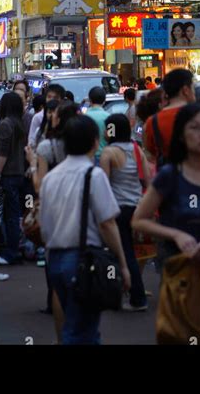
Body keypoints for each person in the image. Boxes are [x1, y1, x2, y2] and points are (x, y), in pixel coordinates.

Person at [39, 115, 131, 344]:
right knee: (82, 329)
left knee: (77, 324)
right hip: (83, 259)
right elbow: (107, 223)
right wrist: (122, 263)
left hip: (55, 260)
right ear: (94, 142)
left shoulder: (50, 179)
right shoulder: (94, 175)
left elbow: (44, 227)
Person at [133, 101, 200, 271]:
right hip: (178, 271)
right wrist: (175, 235)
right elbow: (139, 221)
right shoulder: (169, 176)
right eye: (194, 128)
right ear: (181, 135)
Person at [100, 114, 150, 311]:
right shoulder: (138, 150)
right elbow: (147, 180)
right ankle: (125, 291)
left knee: (122, 252)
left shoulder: (108, 153)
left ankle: (136, 297)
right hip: (137, 207)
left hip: (117, 207)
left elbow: (102, 184)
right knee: (129, 251)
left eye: (107, 128)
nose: (104, 132)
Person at [0, 92, 27, 266]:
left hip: (8, 174)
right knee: (14, 214)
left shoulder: (5, 124)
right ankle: (14, 249)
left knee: (8, 215)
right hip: (19, 173)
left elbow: (2, 153)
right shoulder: (19, 123)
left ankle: (10, 252)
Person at [144, 68, 194, 164]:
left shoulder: (152, 121)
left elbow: (151, 153)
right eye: (193, 88)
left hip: (166, 175)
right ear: (186, 90)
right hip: (196, 173)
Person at [35, 101, 80, 191]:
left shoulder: (46, 147)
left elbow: (39, 187)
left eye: (54, 114)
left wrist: (32, 165)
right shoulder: (84, 143)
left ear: (58, 120)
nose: (52, 116)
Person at [85, 87, 110, 157]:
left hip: (88, 156)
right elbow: (112, 137)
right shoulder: (110, 117)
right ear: (104, 100)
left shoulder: (84, 117)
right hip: (106, 156)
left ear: (90, 100)